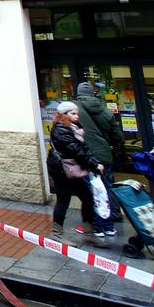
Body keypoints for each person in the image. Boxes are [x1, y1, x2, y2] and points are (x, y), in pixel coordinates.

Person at [47, 101, 106, 245]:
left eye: (77, 113)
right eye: (73, 113)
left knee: (87, 197)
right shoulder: (61, 130)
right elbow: (76, 150)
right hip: (62, 171)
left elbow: (83, 148)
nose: (76, 116)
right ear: (63, 115)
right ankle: (56, 233)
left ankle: (89, 232)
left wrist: (93, 162)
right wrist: (94, 164)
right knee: (63, 199)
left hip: (73, 169)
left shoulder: (73, 128)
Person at [73, 82, 120, 239]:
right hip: (105, 155)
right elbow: (117, 135)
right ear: (93, 93)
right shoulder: (105, 110)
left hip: (87, 157)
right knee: (106, 187)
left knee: (93, 191)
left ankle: (96, 225)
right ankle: (112, 217)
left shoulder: (75, 111)